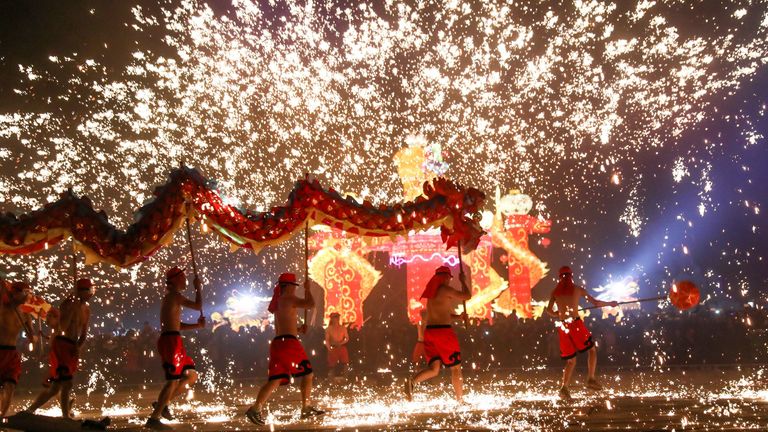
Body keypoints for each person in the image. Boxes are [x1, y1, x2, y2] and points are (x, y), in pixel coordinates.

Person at [245, 273, 325, 425]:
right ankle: (306, 407)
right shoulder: (288, 298)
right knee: (308, 374)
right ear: (288, 287)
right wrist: (308, 290)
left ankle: (255, 408)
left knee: (275, 380)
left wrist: (299, 329)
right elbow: (310, 304)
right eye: (294, 286)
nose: (295, 290)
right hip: (288, 343)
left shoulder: (279, 302)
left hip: (278, 342)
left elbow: (285, 325)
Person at [145, 267, 205, 430]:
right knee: (173, 381)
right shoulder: (174, 297)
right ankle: (154, 417)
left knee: (191, 376)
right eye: (184, 277)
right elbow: (198, 304)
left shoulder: (171, 298)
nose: (186, 279)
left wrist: (196, 325)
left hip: (174, 339)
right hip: (170, 341)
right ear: (177, 279)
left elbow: (176, 324)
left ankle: (163, 403)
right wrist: (198, 287)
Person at [545, 266, 618, 400]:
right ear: (571, 276)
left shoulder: (555, 292)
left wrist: (557, 313)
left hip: (563, 326)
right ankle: (590, 378)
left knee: (571, 360)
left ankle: (564, 388)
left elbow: (548, 310)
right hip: (575, 324)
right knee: (592, 350)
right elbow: (595, 303)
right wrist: (610, 303)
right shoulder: (577, 289)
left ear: (559, 277)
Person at [25, 278, 94, 419]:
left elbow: (84, 332)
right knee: (67, 383)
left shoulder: (86, 310)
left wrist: (78, 347)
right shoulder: (67, 304)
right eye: (88, 290)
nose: (91, 293)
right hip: (61, 344)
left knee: (55, 387)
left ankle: (30, 410)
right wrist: (72, 310)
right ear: (81, 291)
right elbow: (62, 326)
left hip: (72, 347)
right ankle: (65, 416)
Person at [405, 265, 471, 403]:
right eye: (449, 278)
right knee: (456, 368)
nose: (449, 281)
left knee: (434, 368)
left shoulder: (431, 293)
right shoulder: (444, 289)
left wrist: (459, 317)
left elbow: (442, 314)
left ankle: (413, 382)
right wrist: (463, 280)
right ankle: (460, 399)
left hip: (430, 332)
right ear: (446, 277)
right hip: (443, 333)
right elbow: (467, 296)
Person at [0, 280, 36, 417]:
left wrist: (32, 338)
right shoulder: (3, 307)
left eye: (29, 292)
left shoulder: (25, 312)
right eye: (25, 293)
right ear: (14, 293)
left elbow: (30, 331)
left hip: (12, 353)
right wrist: (3, 287)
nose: (27, 296)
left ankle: (2, 416)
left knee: (10, 385)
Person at [324, 312, 349, 379]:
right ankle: (331, 380)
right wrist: (329, 348)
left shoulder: (343, 328)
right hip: (333, 348)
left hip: (341, 347)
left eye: (337, 317)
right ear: (331, 319)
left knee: (345, 363)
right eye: (334, 317)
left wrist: (341, 343)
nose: (336, 319)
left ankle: (345, 378)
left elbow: (347, 338)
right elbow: (327, 340)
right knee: (331, 365)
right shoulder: (328, 329)